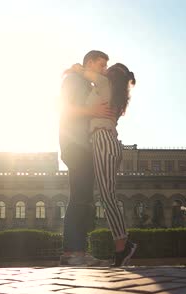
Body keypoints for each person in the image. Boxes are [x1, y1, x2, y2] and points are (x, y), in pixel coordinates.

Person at [67, 61, 137, 267]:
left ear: (112, 74)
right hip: (106, 142)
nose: (104, 69)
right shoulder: (115, 91)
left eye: (107, 67)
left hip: (103, 140)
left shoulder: (105, 83)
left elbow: (84, 72)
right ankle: (122, 245)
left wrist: (74, 68)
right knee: (107, 195)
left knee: (107, 196)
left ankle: (123, 245)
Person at [59, 50, 114, 266]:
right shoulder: (74, 79)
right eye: (101, 65)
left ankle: (79, 251)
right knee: (80, 198)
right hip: (75, 144)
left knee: (84, 198)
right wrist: (93, 110)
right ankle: (73, 253)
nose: (105, 70)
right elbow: (66, 109)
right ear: (89, 62)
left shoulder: (85, 82)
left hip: (83, 145)